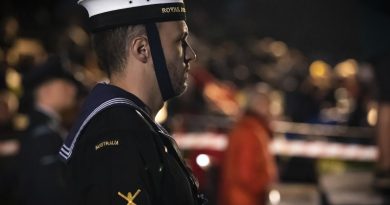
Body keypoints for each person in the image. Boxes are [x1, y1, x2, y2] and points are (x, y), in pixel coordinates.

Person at [58, 0, 205, 205]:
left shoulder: (129, 125)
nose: (191, 54)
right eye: (180, 41)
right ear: (142, 49)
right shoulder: (117, 132)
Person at [18, 56, 80, 205]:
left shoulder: (48, 129)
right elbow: (50, 192)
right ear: (46, 91)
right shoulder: (43, 135)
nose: (73, 90)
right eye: (65, 84)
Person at [219, 84, 278, 205]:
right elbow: (245, 175)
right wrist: (266, 184)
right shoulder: (250, 132)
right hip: (245, 199)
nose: (273, 111)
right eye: (270, 105)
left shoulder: (250, 129)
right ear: (261, 105)